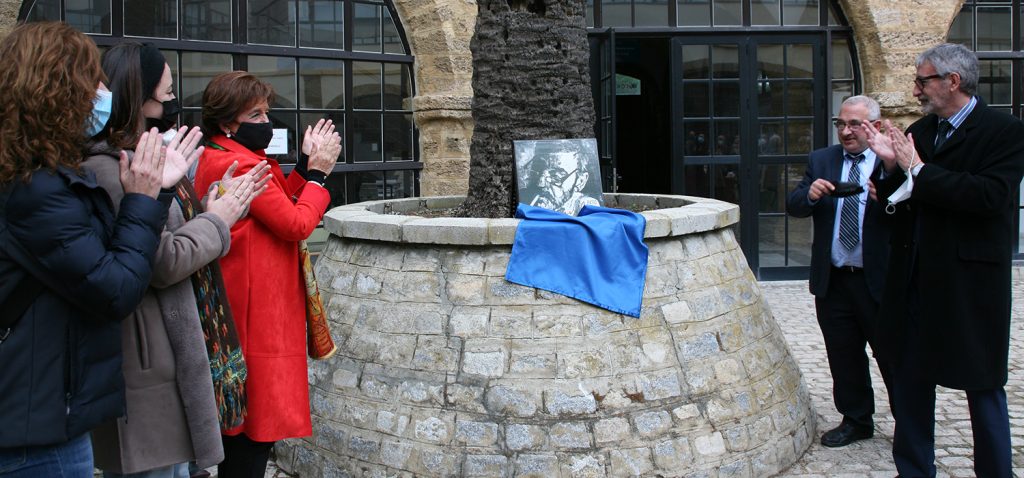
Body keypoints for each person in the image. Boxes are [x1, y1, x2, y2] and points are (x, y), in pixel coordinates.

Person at [83, 42, 270, 478]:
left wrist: (204, 209)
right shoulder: (113, 168)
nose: (171, 103)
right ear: (139, 95)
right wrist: (218, 221)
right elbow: (162, 258)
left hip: (174, 346)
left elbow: (167, 229)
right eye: (165, 95)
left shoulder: (139, 155)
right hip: (147, 358)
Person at [0, 22, 174, 477]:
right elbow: (115, 288)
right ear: (58, 90)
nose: (103, 90)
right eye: (92, 79)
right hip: (34, 433)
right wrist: (141, 199)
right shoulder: (35, 192)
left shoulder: (32, 176)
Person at [865, 43, 1024, 477]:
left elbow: (990, 197)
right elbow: (904, 204)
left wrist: (917, 169)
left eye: (923, 81)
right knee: (911, 382)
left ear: (952, 81)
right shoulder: (922, 130)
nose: (916, 90)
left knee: (982, 386)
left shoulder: (1004, 131)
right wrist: (890, 169)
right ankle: (913, 470)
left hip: (968, 285)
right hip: (915, 280)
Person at [192, 71, 341, 478]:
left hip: (250, 307)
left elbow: (274, 204)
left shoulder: (227, 154)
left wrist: (305, 168)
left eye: (266, 112)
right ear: (227, 123)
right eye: (255, 114)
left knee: (247, 433)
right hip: (255, 318)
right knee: (252, 436)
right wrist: (320, 175)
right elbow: (294, 224)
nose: (266, 122)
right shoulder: (238, 162)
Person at [786, 95, 892, 448]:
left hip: (879, 281)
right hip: (834, 279)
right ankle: (857, 419)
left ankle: (911, 423)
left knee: (893, 356)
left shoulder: (890, 161)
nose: (846, 132)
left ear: (874, 127)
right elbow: (795, 206)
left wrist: (889, 199)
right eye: (841, 124)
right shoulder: (823, 159)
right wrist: (811, 195)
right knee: (844, 354)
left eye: (854, 125)